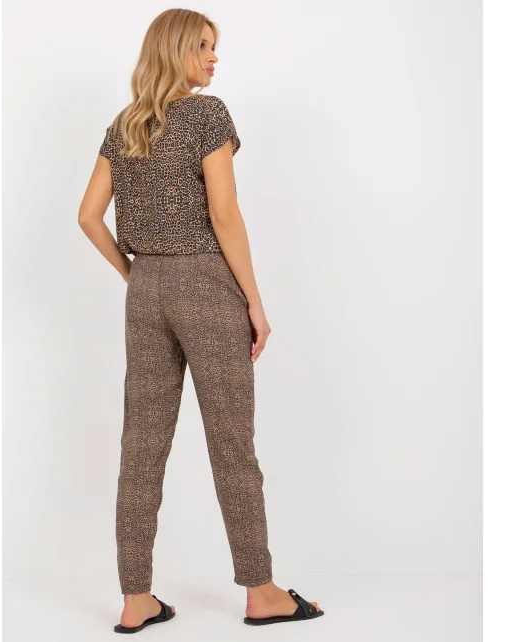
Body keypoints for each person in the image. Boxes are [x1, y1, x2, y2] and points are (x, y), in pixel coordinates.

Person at [78, 8, 324, 633]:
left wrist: (135, 274)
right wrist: (254, 302)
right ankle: (261, 591)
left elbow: (87, 216)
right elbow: (224, 214)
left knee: (141, 447)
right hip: (208, 287)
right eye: (205, 47)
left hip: (147, 291)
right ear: (177, 51)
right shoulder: (207, 115)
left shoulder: (124, 124)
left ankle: (136, 598)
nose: (215, 58)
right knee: (232, 445)